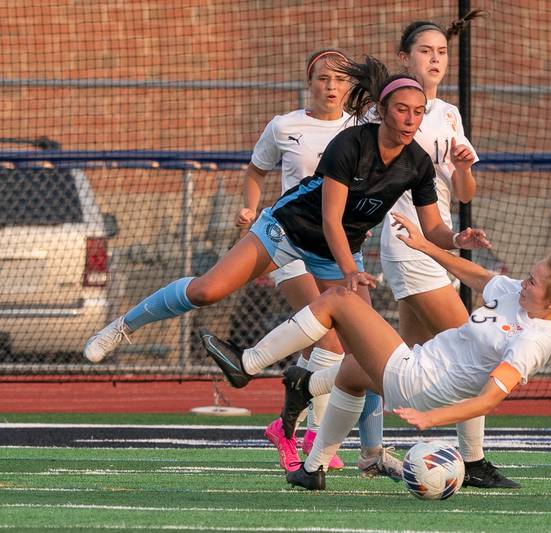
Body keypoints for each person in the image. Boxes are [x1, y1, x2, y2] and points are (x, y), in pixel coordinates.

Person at [85, 54, 490, 477]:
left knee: (366, 352)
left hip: (337, 251)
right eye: (402, 110)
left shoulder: (417, 163)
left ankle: (371, 455)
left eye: (418, 112)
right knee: (206, 291)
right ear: (383, 111)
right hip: (286, 230)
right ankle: (122, 327)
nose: (410, 119)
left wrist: (457, 239)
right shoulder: (350, 144)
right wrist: (349, 271)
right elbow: (330, 218)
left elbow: (434, 228)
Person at [202, 212, 551, 490]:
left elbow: (489, 399)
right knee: (351, 374)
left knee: (339, 300)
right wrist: (427, 246)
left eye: (534, 282)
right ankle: (312, 469)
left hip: (419, 381)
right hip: (418, 368)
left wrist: (432, 419)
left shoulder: (534, 339)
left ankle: (248, 363)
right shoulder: (518, 297)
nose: (523, 282)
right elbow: (479, 276)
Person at [377, 10, 517, 489]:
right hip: (407, 242)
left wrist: (461, 167)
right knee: (475, 347)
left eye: (441, 53)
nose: (435, 59)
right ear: (404, 58)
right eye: (424, 51)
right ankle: (474, 461)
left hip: (442, 242)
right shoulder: (390, 110)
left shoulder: (449, 115)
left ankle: (314, 397)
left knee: (404, 360)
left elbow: (465, 194)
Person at [237, 49, 355, 472]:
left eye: (340, 80)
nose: (331, 86)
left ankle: (284, 428)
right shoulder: (285, 126)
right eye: (323, 78)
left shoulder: (360, 128)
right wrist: (250, 210)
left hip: (335, 248)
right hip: (288, 239)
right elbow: (255, 171)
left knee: (329, 341)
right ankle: (311, 436)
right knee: (329, 337)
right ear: (310, 82)